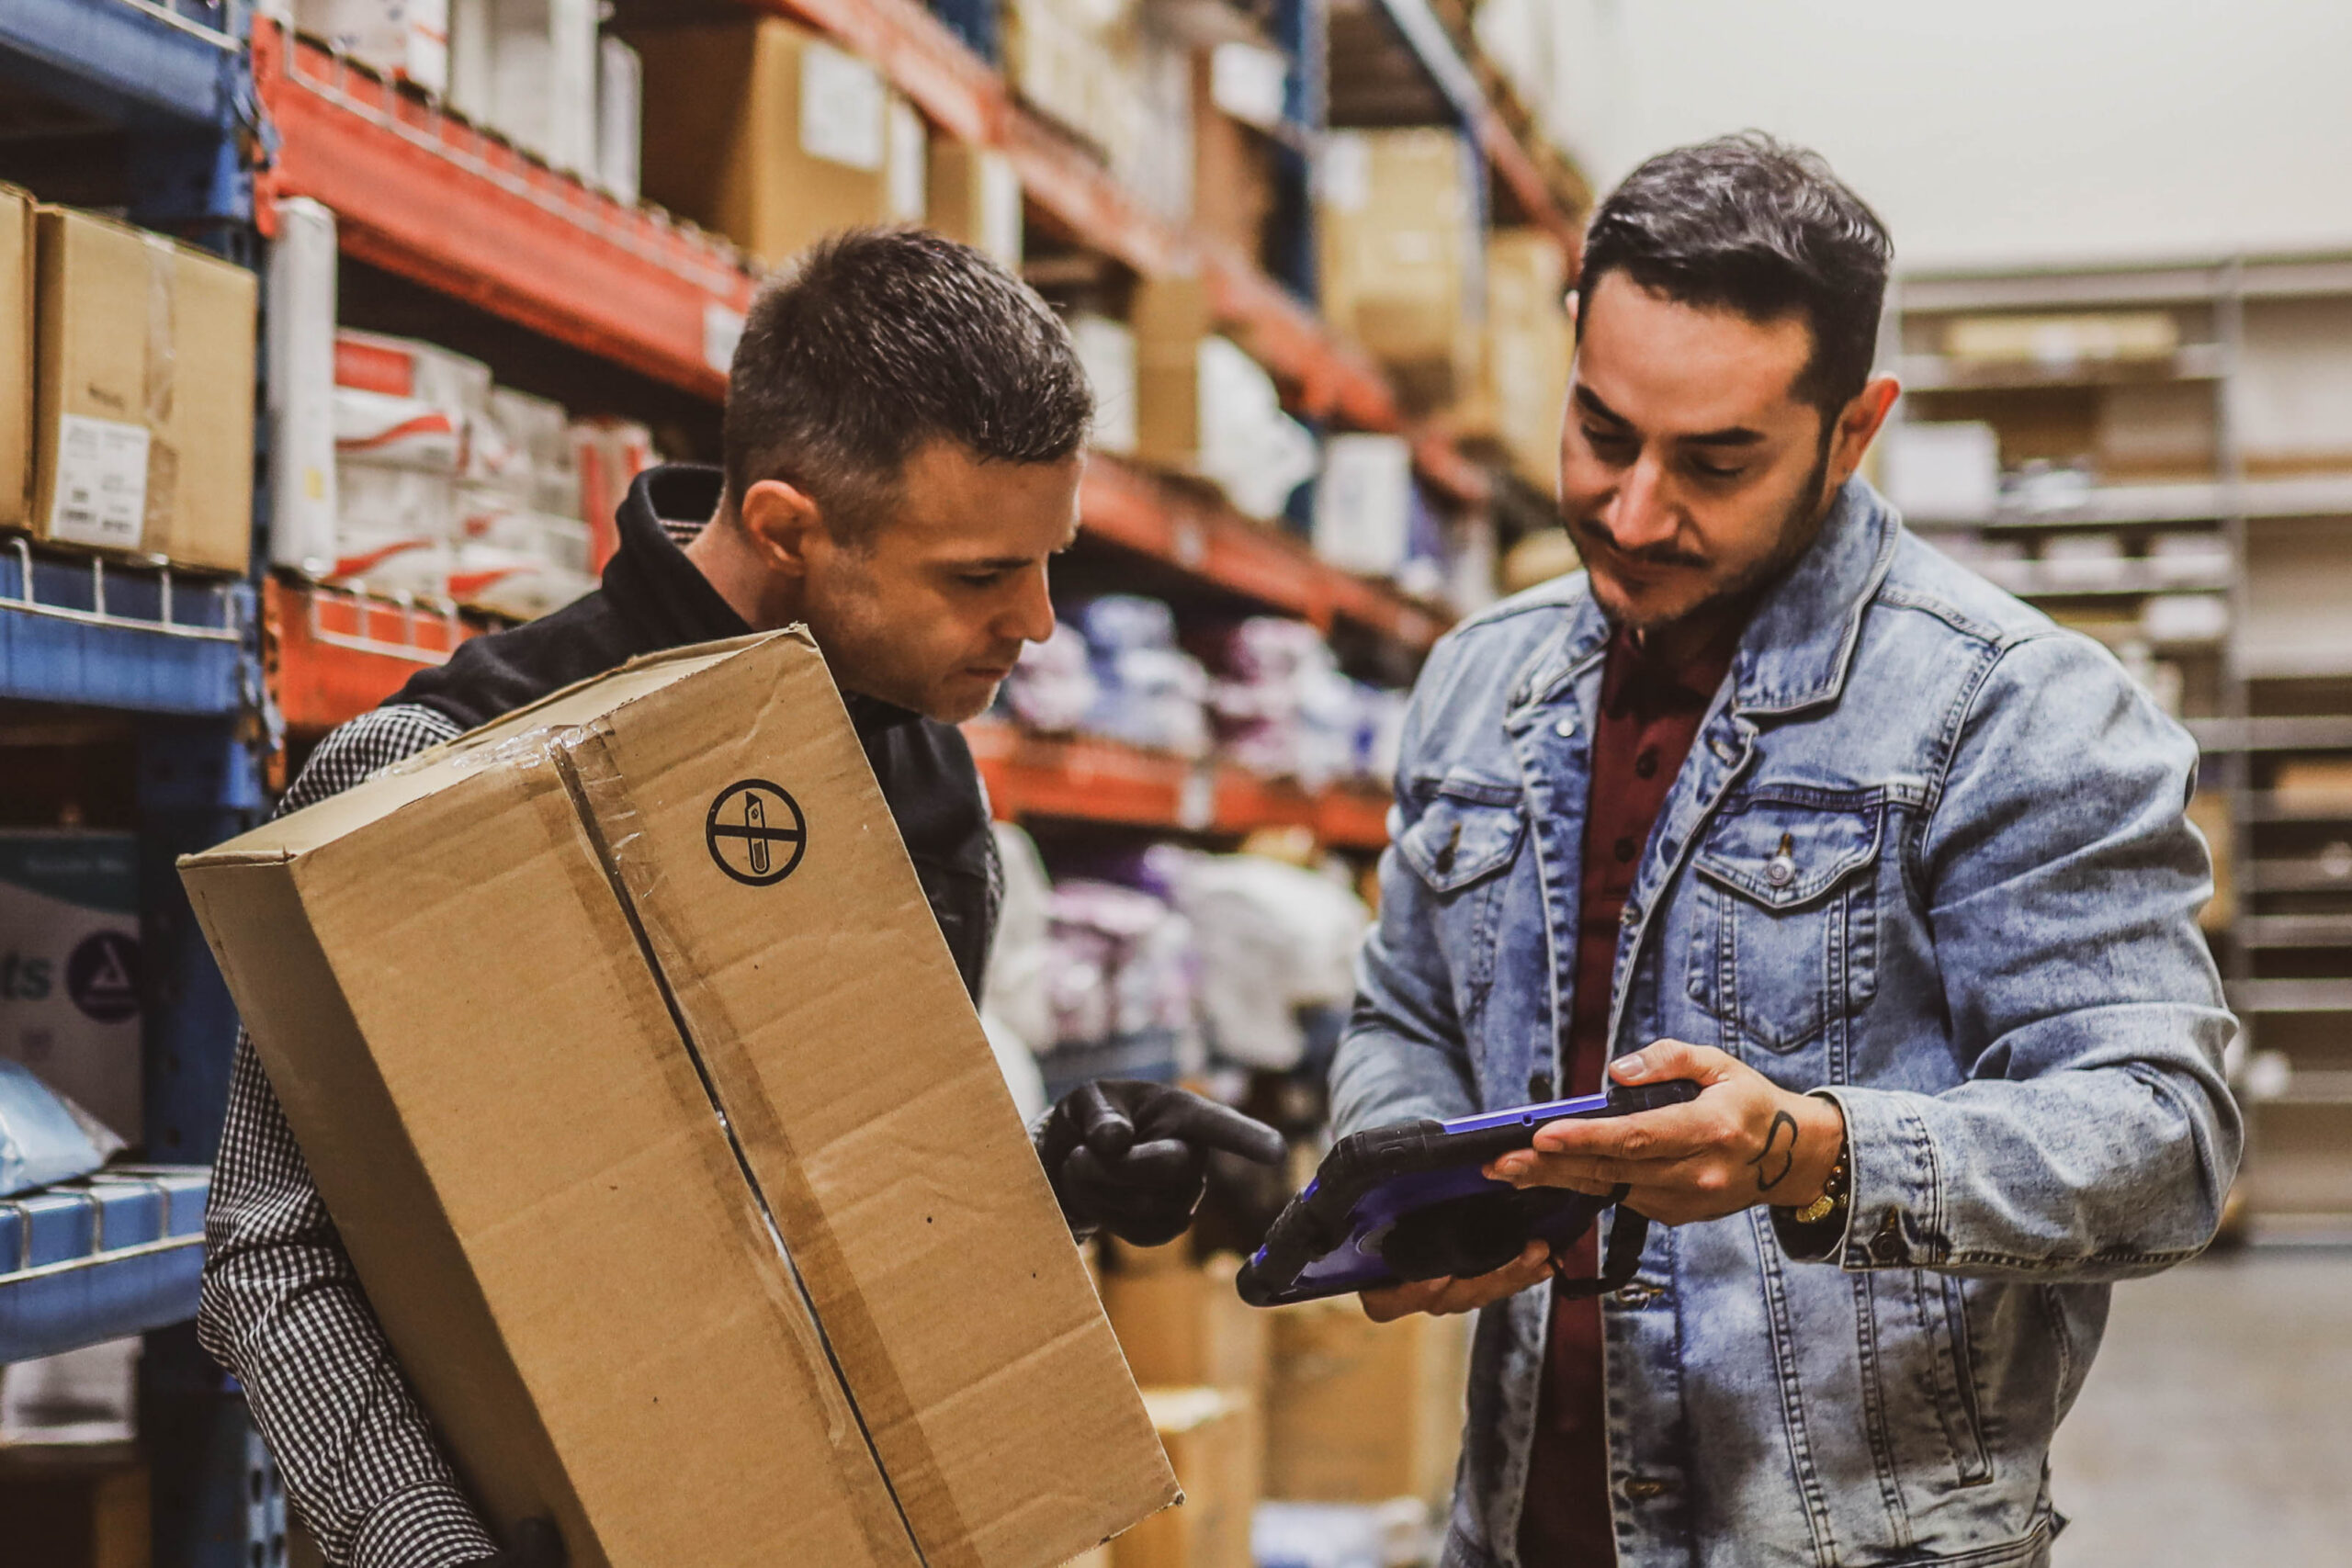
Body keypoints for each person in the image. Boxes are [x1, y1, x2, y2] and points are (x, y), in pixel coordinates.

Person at [198, 229, 1283, 1568]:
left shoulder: (928, 789)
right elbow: (274, 1251)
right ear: (787, 528)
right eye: (981, 576)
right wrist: (437, 1554)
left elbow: (803, 1221)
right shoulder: (424, 781)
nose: (1042, 625)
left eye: (1047, 560)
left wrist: (1036, 1196)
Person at [1329, 133, 2239, 1568]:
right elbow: (1406, 1013)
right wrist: (1404, 1186)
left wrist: (1810, 1156)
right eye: (1604, 433)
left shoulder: (2009, 706)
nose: (1632, 513)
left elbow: (2163, 1140)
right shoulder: (1477, 684)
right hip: (1518, 1530)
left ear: (1852, 428)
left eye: (1717, 460)